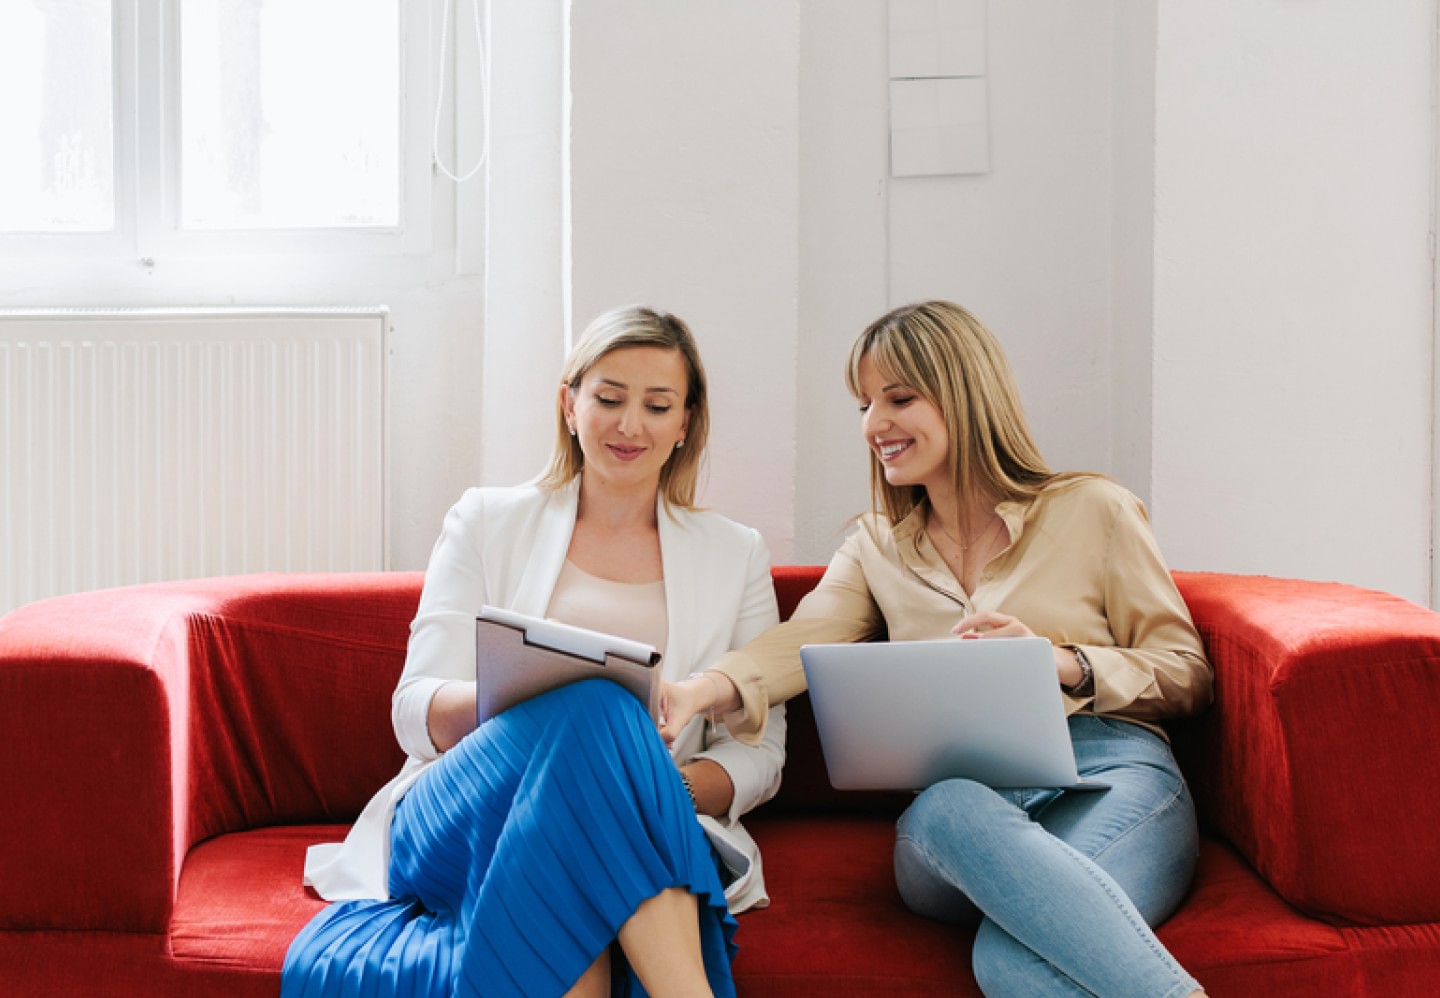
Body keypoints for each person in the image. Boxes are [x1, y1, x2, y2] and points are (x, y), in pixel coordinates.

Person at [663, 300, 1212, 997]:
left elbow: (1187, 673)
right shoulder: (875, 547)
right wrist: (699, 690)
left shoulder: (1092, 509)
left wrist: (1063, 662)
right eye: (864, 404)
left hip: (1110, 774)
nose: (873, 426)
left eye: (898, 398)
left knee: (1009, 965)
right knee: (946, 805)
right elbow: (796, 642)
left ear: (963, 393)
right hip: (961, 822)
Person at [283, 305, 787, 998]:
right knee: (597, 706)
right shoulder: (485, 520)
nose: (629, 425)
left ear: (686, 423)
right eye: (608, 399)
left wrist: (637, 782)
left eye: (657, 405)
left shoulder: (736, 554)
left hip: (639, 819)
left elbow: (760, 754)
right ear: (570, 405)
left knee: (589, 785)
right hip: (461, 807)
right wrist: (538, 711)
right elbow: (413, 708)